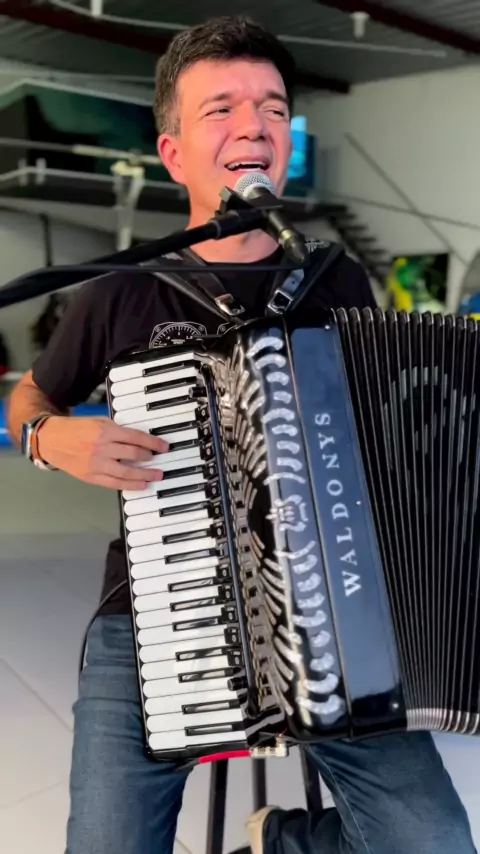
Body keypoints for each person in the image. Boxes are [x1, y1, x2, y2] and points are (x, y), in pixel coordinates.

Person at [7, 15, 476, 854]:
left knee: (436, 843)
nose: (254, 125)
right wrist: (48, 438)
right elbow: (32, 396)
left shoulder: (337, 280)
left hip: (335, 615)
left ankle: (284, 840)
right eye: (220, 109)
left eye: (273, 108)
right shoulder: (120, 292)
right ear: (174, 152)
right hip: (152, 613)